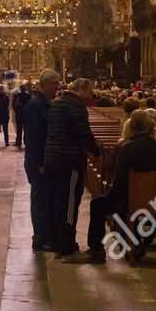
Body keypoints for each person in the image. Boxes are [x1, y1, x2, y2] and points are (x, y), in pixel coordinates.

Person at [86, 109, 156, 262]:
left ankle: (96, 250)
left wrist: (110, 196)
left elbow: (120, 181)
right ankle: (139, 243)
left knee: (97, 204)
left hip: (128, 199)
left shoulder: (128, 147)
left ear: (132, 126)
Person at [43, 78, 101, 261]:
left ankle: (59, 244)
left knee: (58, 203)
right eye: (89, 92)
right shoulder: (76, 106)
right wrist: (97, 151)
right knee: (69, 205)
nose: (90, 96)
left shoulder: (56, 103)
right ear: (81, 90)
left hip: (53, 158)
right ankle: (68, 249)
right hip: (69, 161)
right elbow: (84, 134)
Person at [23, 70, 61, 252]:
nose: (58, 87)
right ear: (44, 84)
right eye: (55, 83)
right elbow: (33, 137)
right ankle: (40, 238)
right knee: (40, 200)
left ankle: (47, 236)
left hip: (44, 160)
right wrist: (40, 163)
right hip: (38, 161)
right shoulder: (34, 105)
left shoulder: (44, 103)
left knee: (46, 199)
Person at [11, 84, 30, 148]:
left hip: (19, 115)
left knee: (19, 129)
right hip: (26, 115)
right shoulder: (28, 96)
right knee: (26, 129)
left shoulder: (17, 96)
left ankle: (18, 142)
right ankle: (26, 142)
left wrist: (16, 111)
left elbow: (13, 105)